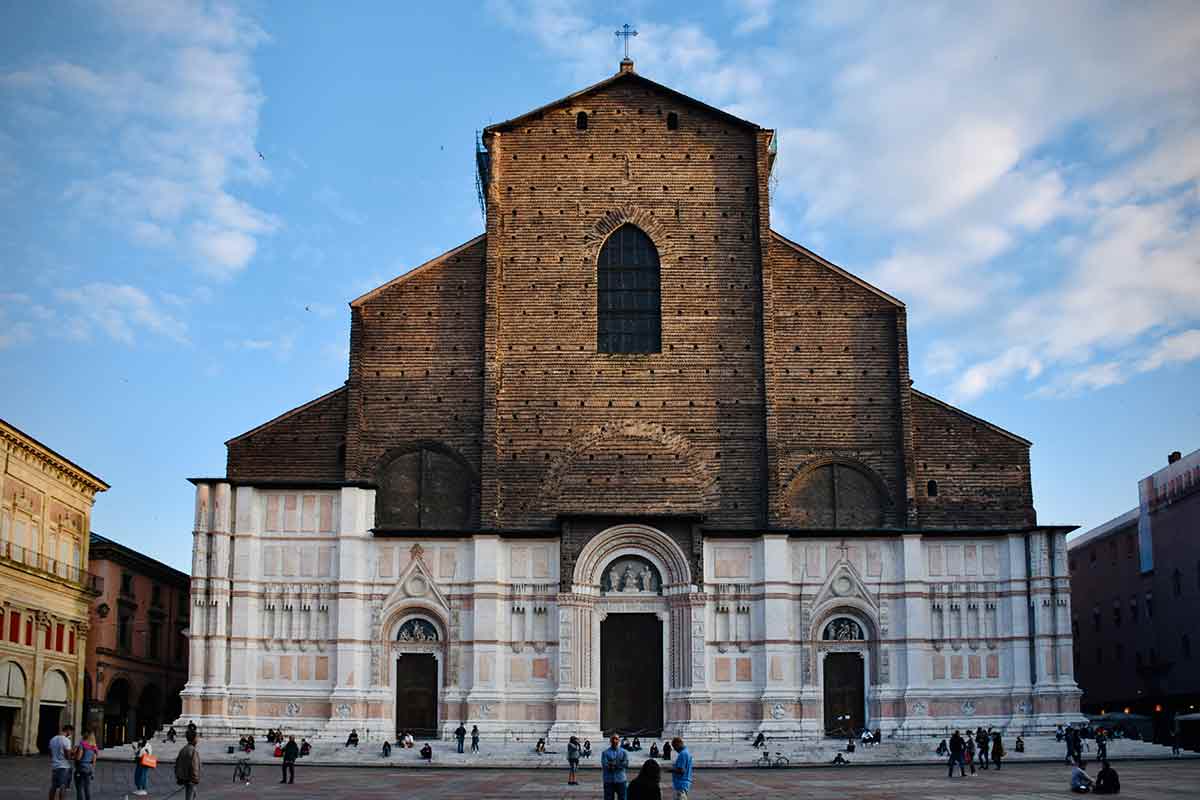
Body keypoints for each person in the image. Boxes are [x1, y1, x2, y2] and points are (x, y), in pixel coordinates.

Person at [48, 723, 74, 800]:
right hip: (64, 766)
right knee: (63, 786)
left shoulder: (53, 739)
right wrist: (73, 755)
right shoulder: (66, 740)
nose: (71, 734)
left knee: (54, 786)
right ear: (68, 731)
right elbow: (67, 756)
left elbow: (51, 753)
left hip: (55, 766)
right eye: (71, 732)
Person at [72, 729, 99, 800]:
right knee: (87, 788)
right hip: (89, 769)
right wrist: (92, 771)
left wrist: (74, 755)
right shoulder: (94, 747)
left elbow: (79, 757)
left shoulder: (82, 744)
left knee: (79, 788)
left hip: (81, 768)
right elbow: (94, 761)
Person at [602, 733, 630, 800]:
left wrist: (612, 764)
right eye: (613, 739)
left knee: (622, 798)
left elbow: (626, 764)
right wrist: (619, 764)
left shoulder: (624, 752)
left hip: (621, 780)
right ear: (610, 741)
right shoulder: (605, 752)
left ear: (619, 740)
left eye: (616, 739)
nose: (614, 741)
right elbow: (605, 765)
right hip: (609, 780)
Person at [174, 730, 201, 800]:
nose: (197, 739)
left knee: (189, 797)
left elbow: (177, 764)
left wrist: (179, 777)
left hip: (185, 778)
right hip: (191, 780)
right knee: (191, 797)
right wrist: (195, 779)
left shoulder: (183, 749)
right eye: (197, 737)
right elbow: (194, 766)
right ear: (194, 739)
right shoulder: (193, 751)